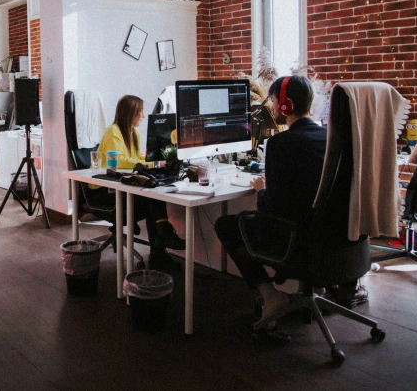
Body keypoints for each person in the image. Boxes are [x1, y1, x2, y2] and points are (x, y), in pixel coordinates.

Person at [215, 75, 365, 322]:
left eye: (274, 102)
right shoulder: (334, 139)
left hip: (299, 246)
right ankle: (317, 289)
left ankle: (271, 295)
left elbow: (274, 208)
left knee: (228, 225)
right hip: (341, 242)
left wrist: (262, 190)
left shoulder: (280, 144)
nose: (272, 108)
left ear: (286, 105)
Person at [90, 95, 185, 267]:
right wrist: (151, 163)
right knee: (151, 198)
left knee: (153, 194)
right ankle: (161, 243)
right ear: (130, 113)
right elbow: (120, 161)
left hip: (121, 187)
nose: (142, 116)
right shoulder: (114, 131)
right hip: (105, 191)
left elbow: (138, 157)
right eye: (140, 112)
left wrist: (156, 159)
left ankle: (159, 251)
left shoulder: (133, 132)